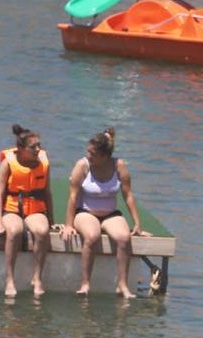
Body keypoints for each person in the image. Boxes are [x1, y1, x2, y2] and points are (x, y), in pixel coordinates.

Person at [60, 126, 150, 299]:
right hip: (85, 212)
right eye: (87, 151)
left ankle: (122, 285)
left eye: (92, 153)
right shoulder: (82, 165)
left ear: (104, 156)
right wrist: (68, 225)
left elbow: (128, 195)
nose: (88, 155)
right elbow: (73, 197)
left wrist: (137, 224)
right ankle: (85, 283)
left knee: (124, 238)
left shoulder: (119, 165)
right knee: (92, 236)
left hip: (110, 214)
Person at [0, 123, 54, 299]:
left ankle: (37, 278)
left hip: (35, 208)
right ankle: (10, 280)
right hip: (11, 208)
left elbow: (47, 192)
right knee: (14, 231)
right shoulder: (8, 163)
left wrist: (51, 218)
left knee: (42, 231)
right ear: (20, 148)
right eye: (33, 147)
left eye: (39, 146)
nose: (38, 149)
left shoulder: (44, 163)